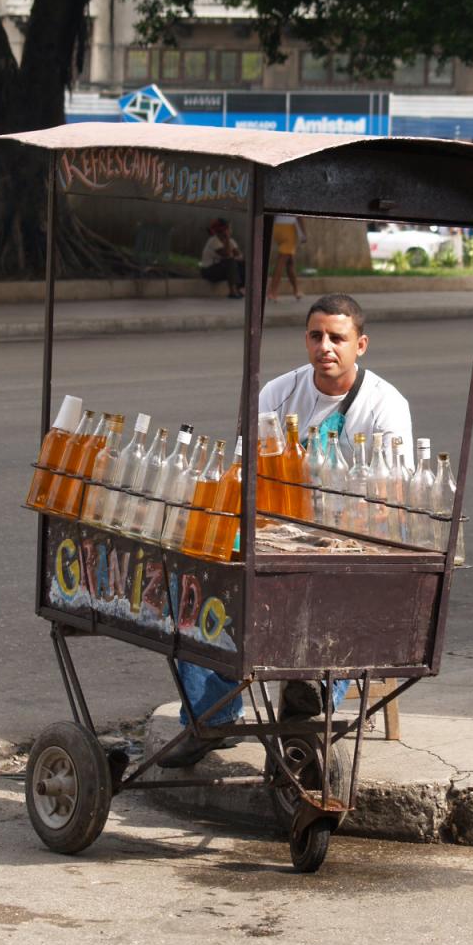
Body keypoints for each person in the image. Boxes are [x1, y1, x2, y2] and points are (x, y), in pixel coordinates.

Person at [159, 292, 414, 768]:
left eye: (337, 338)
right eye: (316, 336)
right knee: (192, 583)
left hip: (347, 543)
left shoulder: (385, 407)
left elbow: (391, 498)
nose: (326, 347)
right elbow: (242, 471)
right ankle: (211, 713)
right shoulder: (277, 393)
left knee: (339, 600)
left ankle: (310, 699)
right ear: (305, 339)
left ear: (360, 345)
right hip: (276, 535)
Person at [199, 217, 246, 299]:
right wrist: (227, 239)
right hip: (208, 271)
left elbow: (239, 255)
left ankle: (240, 288)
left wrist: (230, 243)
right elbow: (227, 254)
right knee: (230, 261)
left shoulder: (231, 241)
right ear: (224, 230)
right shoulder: (213, 241)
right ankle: (232, 291)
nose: (231, 230)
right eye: (229, 228)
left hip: (221, 269)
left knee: (243, 263)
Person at [268, 214, 307, 301]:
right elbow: (299, 216)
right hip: (289, 229)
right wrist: (304, 233)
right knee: (281, 262)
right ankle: (272, 292)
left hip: (277, 227)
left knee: (290, 262)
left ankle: (296, 290)